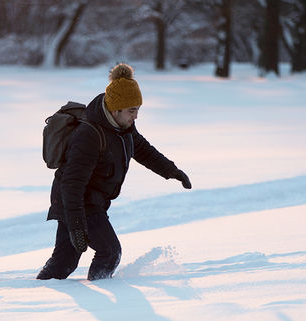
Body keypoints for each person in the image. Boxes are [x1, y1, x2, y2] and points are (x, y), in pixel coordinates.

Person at [37, 63, 192, 281]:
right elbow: (71, 184)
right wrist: (77, 226)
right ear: (115, 109)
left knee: (64, 262)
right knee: (110, 252)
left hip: (90, 202)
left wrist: (171, 170)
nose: (135, 116)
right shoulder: (89, 135)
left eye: (138, 110)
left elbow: (142, 150)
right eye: (132, 111)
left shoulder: (123, 128)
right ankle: (103, 300)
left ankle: (44, 291)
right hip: (77, 203)